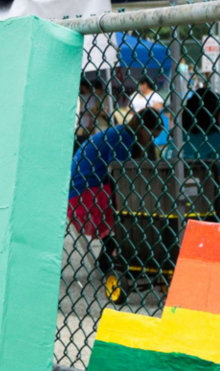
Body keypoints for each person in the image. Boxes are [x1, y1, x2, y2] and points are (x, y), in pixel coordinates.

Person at [68, 108, 165, 271]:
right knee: (129, 207)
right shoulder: (123, 138)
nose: (152, 142)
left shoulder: (121, 133)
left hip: (81, 188)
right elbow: (120, 177)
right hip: (86, 191)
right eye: (152, 136)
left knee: (127, 204)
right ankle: (116, 253)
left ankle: (111, 251)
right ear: (142, 128)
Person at [181, 87, 220, 216]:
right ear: (215, 114)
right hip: (215, 214)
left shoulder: (178, 138)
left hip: (179, 209)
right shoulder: (216, 141)